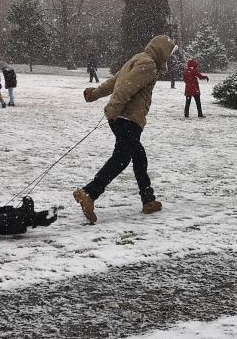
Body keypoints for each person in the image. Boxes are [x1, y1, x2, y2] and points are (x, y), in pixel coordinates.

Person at [73, 35, 176, 224]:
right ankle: (89, 192)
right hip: (128, 118)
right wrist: (113, 108)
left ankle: (148, 200)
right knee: (121, 158)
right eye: (169, 54)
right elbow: (126, 87)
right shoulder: (148, 65)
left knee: (139, 156)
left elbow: (114, 82)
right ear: (162, 51)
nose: (169, 58)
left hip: (122, 117)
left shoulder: (138, 59)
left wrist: (94, 94)